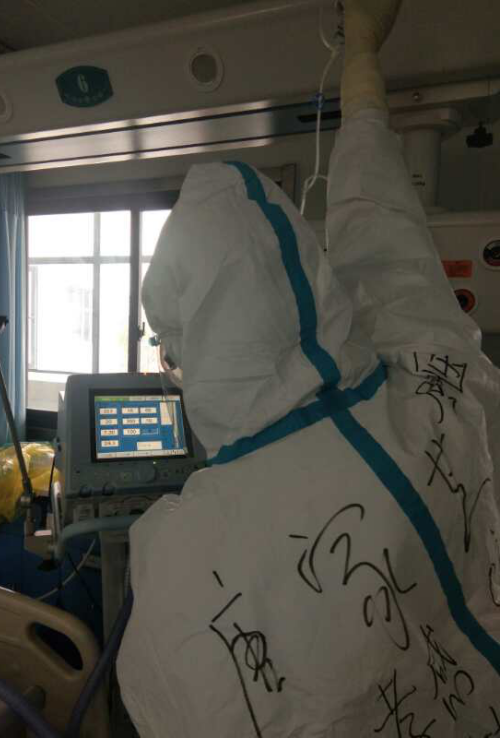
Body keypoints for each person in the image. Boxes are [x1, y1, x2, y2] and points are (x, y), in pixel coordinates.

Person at [117, 1, 500, 735]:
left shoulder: (181, 556)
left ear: (200, 349)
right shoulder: (436, 385)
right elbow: (386, 237)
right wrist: (361, 61)